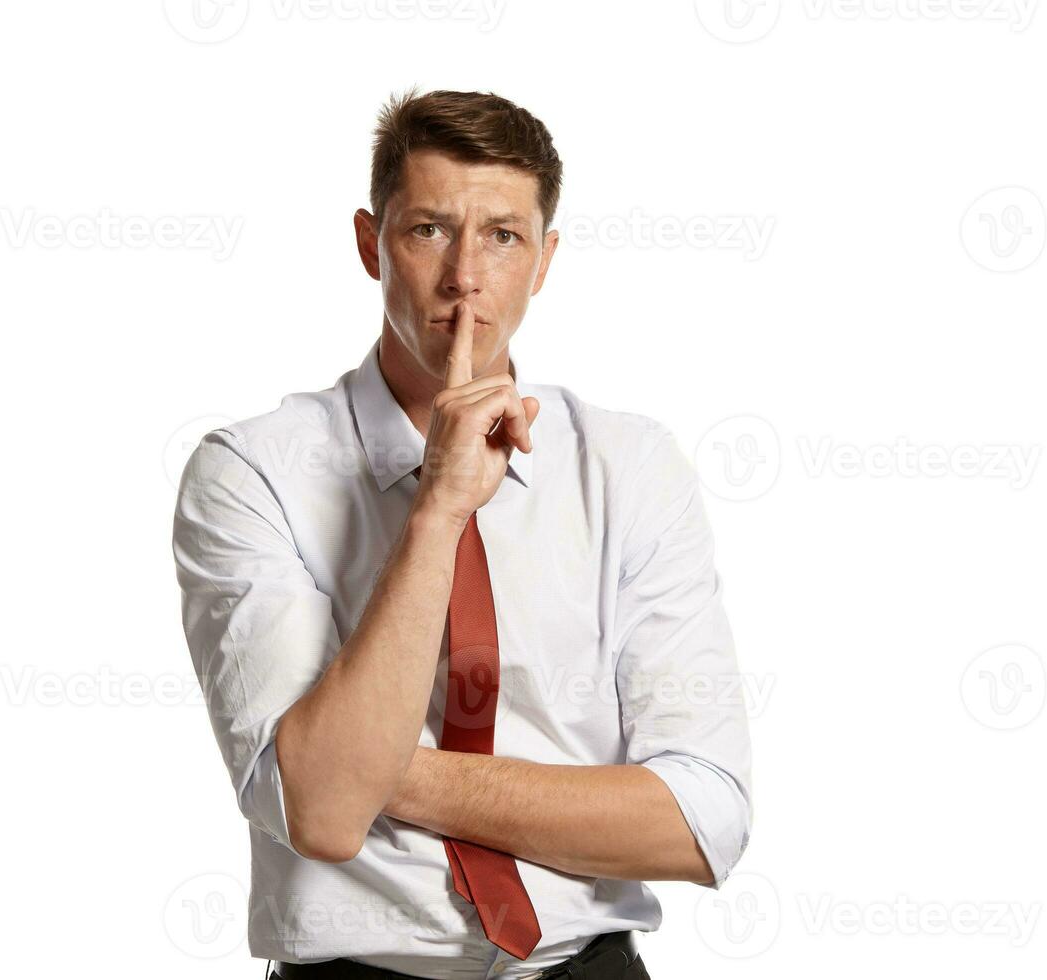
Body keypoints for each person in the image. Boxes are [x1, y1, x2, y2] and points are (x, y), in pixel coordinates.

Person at [172, 88, 753, 979]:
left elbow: (701, 819)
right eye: (430, 230)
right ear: (371, 244)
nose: (466, 279)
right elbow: (325, 817)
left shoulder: (628, 467)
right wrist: (439, 505)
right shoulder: (253, 472)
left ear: (546, 259)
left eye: (504, 237)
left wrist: (380, 774)